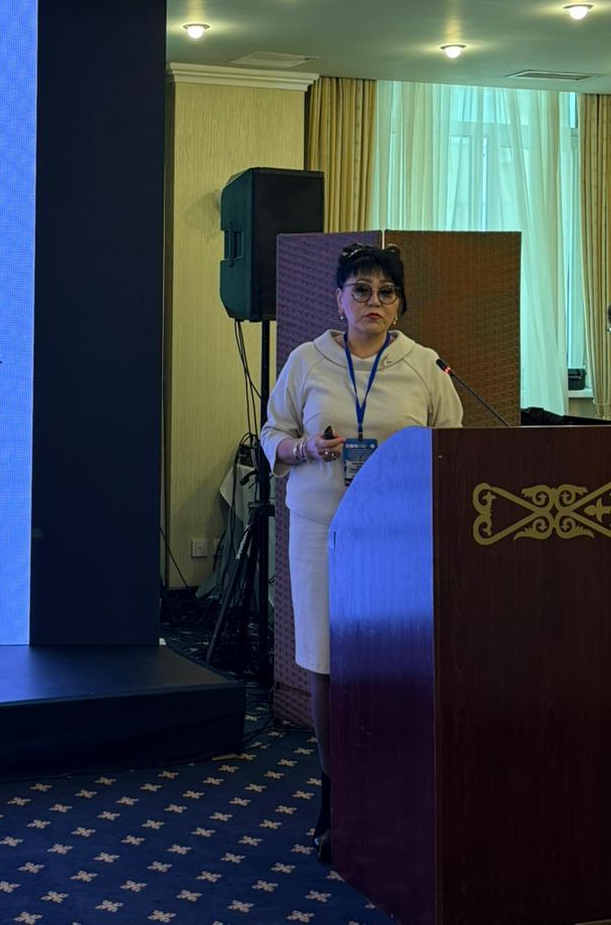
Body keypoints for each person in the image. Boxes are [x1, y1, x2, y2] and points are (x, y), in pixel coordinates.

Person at [260, 242, 462, 863]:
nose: (374, 301)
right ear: (339, 299)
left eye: (386, 292)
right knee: (326, 662)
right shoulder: (306, 360)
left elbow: (452, 447)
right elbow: (272, 432)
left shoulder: (425, 365)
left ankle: (394, 791)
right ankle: (335, 792)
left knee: (396, 661)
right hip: (322, 529)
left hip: (401, 536)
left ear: (398, 305)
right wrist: (303, 450)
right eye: (362, 290)